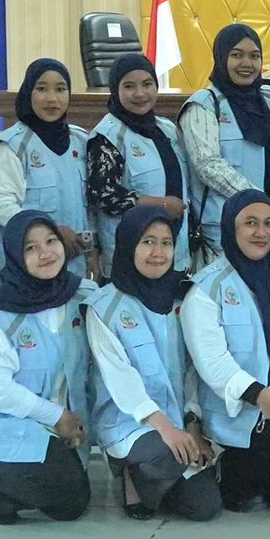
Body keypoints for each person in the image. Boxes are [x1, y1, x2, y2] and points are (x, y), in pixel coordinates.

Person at [183, 191, 270, 511]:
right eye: (250, 223)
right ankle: (229, 473)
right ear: (230, 228)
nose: (261, 233)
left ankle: (261, 473)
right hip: (238, 409)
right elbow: (211, 362)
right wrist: (257, 395)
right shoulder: (208, 289)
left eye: (269, 223)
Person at [0, 211, 95, 524]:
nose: (45, 253)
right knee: (67, 490)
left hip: (62, 424)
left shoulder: (79, 295)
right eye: (31, 248)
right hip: (5, 422)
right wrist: (56, 415)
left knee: (69, 507)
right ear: (16, 257)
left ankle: (16, 489)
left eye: (51, 241)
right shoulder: (0, 314)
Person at [86, 206, 222, 522]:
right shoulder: (104, 307)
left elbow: (193, 369)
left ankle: (159, 481)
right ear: (128, 244)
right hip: (129, 424)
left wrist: (192, 424)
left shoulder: (184, 299)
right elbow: (119, 378)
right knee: (165, 455)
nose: (158, 253)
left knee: (205, 506)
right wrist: (165, 428)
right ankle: (129, 472)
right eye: (147, 242)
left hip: (178, 424)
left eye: (166, 243)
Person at [180, 24, 270, 258]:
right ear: (221, 57)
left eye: (254, 56)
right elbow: (207, 165)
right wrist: (259, 201)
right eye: (236, 55)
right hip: (225, 230)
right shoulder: (203, 104)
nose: (247, 63)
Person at [0, 57, 94, 279]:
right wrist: (49, 231)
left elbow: (91, 205)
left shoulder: (81, 141)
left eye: (60, 89)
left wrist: (92, 251)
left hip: (73, 267)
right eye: (42, 89)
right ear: (28, 93)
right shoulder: (14, 144)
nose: (52, 98)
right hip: (28, 269)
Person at [88, 54, 191, 269]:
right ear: (115, 89)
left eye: (147, 84)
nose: (140, 93)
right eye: (129, 86)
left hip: (175, 252)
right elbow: (104, 194)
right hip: (130, 256)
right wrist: (161, 205)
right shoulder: (107, 136)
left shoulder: (167, 129)